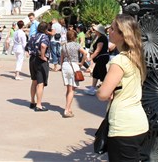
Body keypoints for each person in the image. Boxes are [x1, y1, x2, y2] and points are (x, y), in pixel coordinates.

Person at [96, 14, 149, 162]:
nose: (109, 30)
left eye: (113, 29)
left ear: (122, 34)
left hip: (123, 125)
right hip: (139, 122)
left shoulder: (120, 60)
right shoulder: (136, 57)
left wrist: (100, 89)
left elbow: (103, 94)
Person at [60, 29, 87, 118]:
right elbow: (85, 53)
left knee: (68, 88)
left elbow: (61, 58)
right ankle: (67, 110)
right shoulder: (76, 45)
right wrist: (82, 63)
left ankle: (69, 107)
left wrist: (62, 66)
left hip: (65, 65)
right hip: (74, 65)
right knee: (72, 89)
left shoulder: (64, 46)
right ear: (75, 37)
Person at [28, 22, 51, 111]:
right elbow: (43, 45)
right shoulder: (44, 37)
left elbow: (27, 47)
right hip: (40, 61)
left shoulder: (33, 36)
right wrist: (43, 56)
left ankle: (32, 101)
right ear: (46, 29)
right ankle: (39, 105)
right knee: (40, 83)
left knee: (34, 81)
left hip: (32, 59)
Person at [85, 24, 109, 95]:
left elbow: (98, 50)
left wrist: (91, 58)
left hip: (101, 57)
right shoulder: (101, 37)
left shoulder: (102, 38)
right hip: (101, 57)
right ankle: (93, 88)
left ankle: (107, 89)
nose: (94, 31)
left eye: (95, 30)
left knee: (102, 73)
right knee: (96, 72)